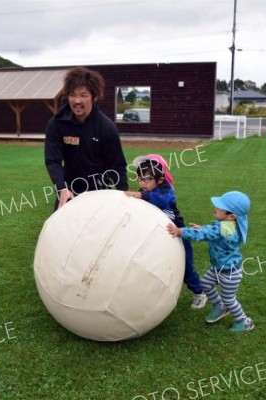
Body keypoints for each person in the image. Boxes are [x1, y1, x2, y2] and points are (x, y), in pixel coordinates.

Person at [125, 154, 207, 309]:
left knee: (185, 266)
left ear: (160, 179)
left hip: (178, 235)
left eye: (147, 179)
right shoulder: (144, 190)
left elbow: (160, 200)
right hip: (157, 237)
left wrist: (141, 195)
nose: (142, 183)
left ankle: (199, 292)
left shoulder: (166, 191)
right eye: (140, 178)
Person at [166, 191, 254, 332]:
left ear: (231, 216)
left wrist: (180, 231)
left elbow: (204, 234)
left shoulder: (222, 228)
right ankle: (220, 307)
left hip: (229, 272)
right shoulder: (230, 225)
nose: (215, 207)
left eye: (220, 207)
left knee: (229, 299)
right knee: (206, 283)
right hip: (219, 268)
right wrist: (203, 228)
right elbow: (211, 232)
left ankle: (244, 322)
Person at [44, 66, 128, 210]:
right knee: (60, 229)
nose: (77, 100)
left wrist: (123, 197)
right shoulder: (57, 123)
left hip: (99, 191)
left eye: (83, 95)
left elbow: (118, 166)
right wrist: (62, 188)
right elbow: (53, 160)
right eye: (72, 95)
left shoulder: (106, 127)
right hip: (69, 190)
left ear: (94, 97)